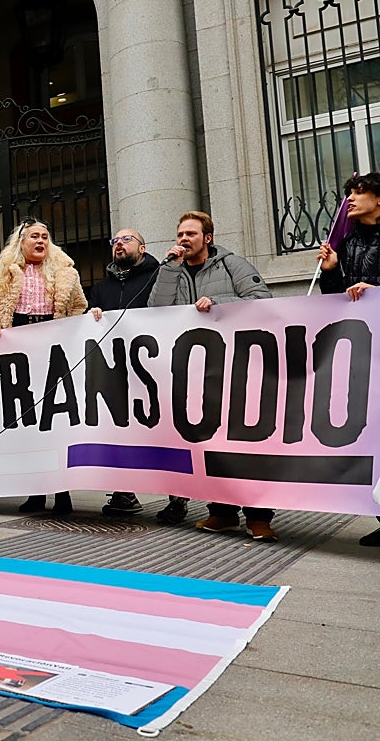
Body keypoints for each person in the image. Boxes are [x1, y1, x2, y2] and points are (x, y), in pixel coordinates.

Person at [148, 210, 276, 540]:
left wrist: (218, 301)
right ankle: (221, 512)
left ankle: (259, 516)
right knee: (208, 444)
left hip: (235, 368)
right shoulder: (171, 271)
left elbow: (262, 300)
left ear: (207, 238)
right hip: (196, 373)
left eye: (190, 234)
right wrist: (169, 269)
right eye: (179, 235)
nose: (183, 240)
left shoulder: (232, 265)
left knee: (244, 446)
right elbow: (156, 312)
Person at [0, 219, 87, 514]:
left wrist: (67, 328)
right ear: (21, 242)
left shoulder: (66, 273)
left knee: (56, 422)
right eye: (34, 236)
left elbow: (79, 306)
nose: (41, 241)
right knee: (28, 423)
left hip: (53, 346)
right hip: (18, 347)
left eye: (45, 237)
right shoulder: (0, 272)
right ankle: (35, 493)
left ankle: (62, 494)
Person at [317, 172, 380, 546]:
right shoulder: (351, 242)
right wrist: (331, 271)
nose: (350, 200)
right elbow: (338, 297)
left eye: (359, 192)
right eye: (349, 194)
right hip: (365, 347)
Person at [88, 228, 160, 517]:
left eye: (126, 239)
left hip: (152, 366)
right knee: (118, 429)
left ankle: (176, 497)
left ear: (142, 248)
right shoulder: (101, 287)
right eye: (115, 240)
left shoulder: (157, 277)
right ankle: (124, 493)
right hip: (116, 370)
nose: (119, 244)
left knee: (158, 429)